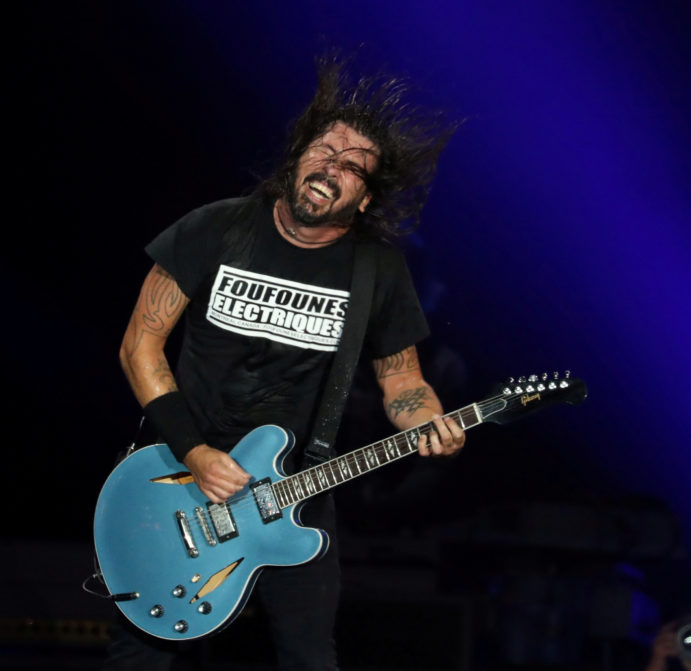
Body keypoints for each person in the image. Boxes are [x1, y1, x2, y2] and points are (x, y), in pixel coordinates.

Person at [104, 56, 463, 670]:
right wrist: (195, 451)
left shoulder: (376, 270)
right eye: (325, 150)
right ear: (298, 157)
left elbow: (402, 380)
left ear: (365, 198)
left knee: (309, 656)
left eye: (353, 167)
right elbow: (140, 344)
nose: (331, 167)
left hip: (297, 490)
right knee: (141, 654)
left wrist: (429, 420)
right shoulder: (215, 227)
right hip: (179, 476)